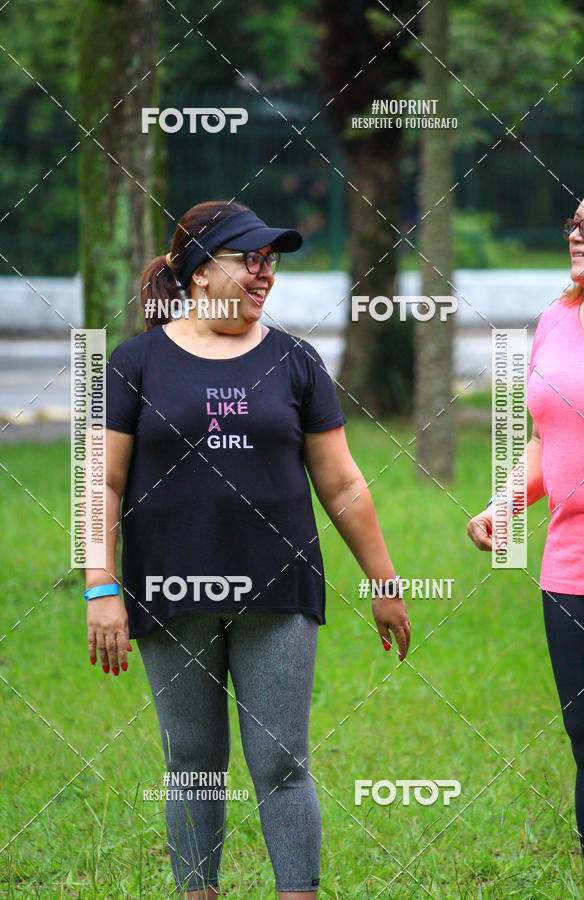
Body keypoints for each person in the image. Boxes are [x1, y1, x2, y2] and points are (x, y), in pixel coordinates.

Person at [84, 200, 411, 899]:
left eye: (273, 261)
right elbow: (102, 483)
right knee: (193, 762)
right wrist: (100, 584)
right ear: (200, 273)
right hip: (172, 592)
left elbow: (344, 484)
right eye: (249, 259)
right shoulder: (135, 362)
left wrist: (383, 582)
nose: (265, 273)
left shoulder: (295, 360)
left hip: (276, 590)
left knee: (283, 761)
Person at [467, 173, 584, 898]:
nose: (576, 234)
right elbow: (551, 438)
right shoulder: (557, 318)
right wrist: (506, 502)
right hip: (572, 569)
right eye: (573, 221)